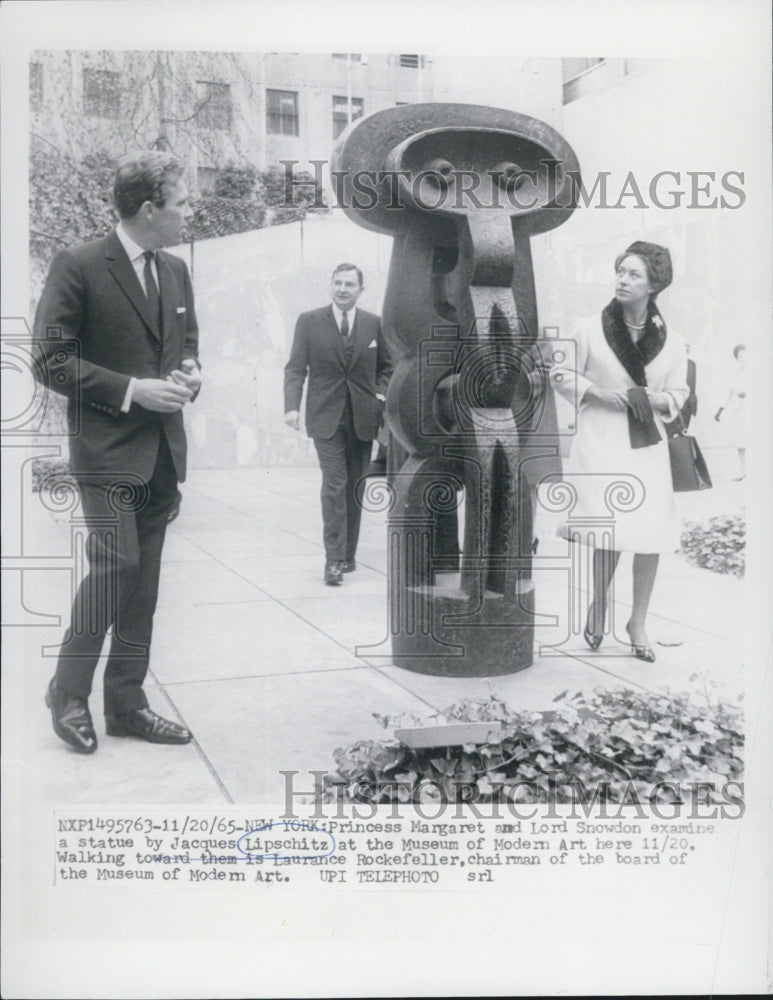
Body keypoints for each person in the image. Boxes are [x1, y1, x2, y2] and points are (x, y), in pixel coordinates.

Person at [33, 150, 201, 753]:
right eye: (182, 201)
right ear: (150, 208)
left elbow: (186, 345)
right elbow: (49, 360)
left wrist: (188, 375)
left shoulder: (177, 270)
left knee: (145, 582)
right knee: (116, 567)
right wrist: (132, 390)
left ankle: (126, 704)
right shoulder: (78, 264)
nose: (189, 211)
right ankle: (68, 690)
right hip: (105, 452)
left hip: (161, 453)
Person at [550, 241, 689, 662]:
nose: (623, 280)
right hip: (603, 438)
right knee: (609, 528)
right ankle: (598, 603)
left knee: (649, 533)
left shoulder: (672, 339)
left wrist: (656, 398)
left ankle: (638, 622)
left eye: (634, 275)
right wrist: (595, 392)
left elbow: (679, 393)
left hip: (647, 443)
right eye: (621, 272)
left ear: (654, 286)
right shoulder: (589, 327)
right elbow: (561, 370)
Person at [284, 264, 392, 585]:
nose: (343, 289)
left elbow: (387, 367)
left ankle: (348, 555)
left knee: (354, 487)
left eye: (350, 284)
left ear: (361, 289)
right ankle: (333, 560)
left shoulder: (374, 324)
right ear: (330, 286)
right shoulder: (309, 321)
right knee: (334, 485)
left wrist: (380, 396)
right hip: (325, 417)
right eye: (337, 283)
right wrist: (291, 407)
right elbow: (295, 369)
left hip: (362, 418)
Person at [714, 344, 747, 481]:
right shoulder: (734, 373)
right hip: (738, 411)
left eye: (746, 355)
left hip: (754, 411)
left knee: (756, 442)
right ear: (736, 358)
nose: (743, 359)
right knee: (741, 443)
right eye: (740, 356)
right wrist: (720, 410)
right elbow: (728, 393)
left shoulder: (759, 372)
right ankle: (743, 472)